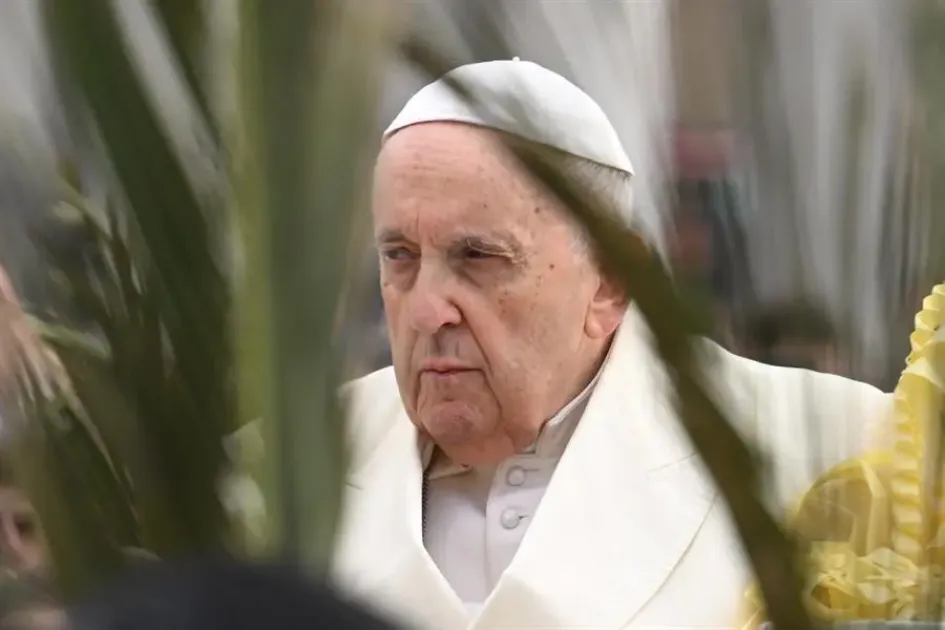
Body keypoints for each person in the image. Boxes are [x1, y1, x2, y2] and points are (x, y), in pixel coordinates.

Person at [332, 59, 890, 629]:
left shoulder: (845, 447)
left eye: (478, 258)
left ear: (609, 280)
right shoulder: (274, 465)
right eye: (399, 256)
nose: (426, 311)